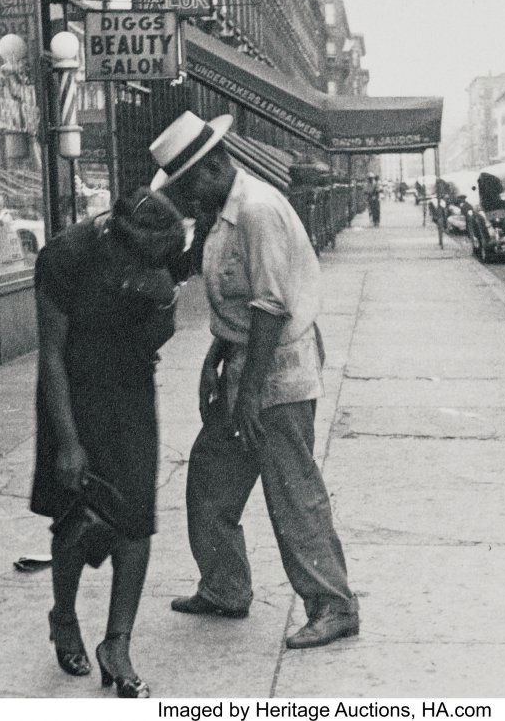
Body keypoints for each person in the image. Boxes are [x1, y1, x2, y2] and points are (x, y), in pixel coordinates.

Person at [150, 111, 359, 650]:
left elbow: (269, 305)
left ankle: (333, 604)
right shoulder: (223, 212)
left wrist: (249, 391)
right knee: (210, 481)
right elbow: (237, 301)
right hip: (244, 364)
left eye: (188, 183)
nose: (187, 196)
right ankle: (224, 587)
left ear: (215, 166)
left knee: (292, 490)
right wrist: (216, 355)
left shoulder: (258, 211)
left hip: (278, 375)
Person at [30, 185, 188, 698]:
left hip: (130, 391)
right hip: (72, 394)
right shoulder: (66, 255)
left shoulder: (159, 256)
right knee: (77, 516)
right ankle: (65, 616)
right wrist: (68, 441)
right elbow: (50, 353)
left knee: (136, 520)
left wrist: (161, 299)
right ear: (115, 237)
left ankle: (116, 645)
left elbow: (157, 334)